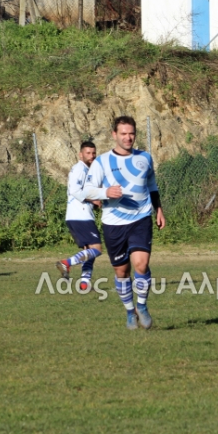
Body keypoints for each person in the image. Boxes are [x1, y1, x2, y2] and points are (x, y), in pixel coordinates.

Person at [80, 116, 166, 330]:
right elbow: (87, 191)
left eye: (131, 133)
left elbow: (152, 185)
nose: (128, 137)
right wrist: (105, 192)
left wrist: (158, 209)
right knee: (121, 272)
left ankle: (142, 306)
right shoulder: (102, 162)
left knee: (141, 264)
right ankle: (129, 311)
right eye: (124, 133)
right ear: (114, 135)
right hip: (113, 223)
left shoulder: (145, 158)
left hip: (141, 218)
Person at [55, 141, 102, 291]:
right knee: (97, 249)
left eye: (93, 153)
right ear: (80, 154)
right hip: (80, 216)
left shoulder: (87, 170)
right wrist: (93, 199)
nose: (91, 156)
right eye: (88, 153)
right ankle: (66, 263)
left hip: (79, 215)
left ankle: (84, 284)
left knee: (88, 252)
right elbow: (75, 190)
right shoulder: (80, 169)